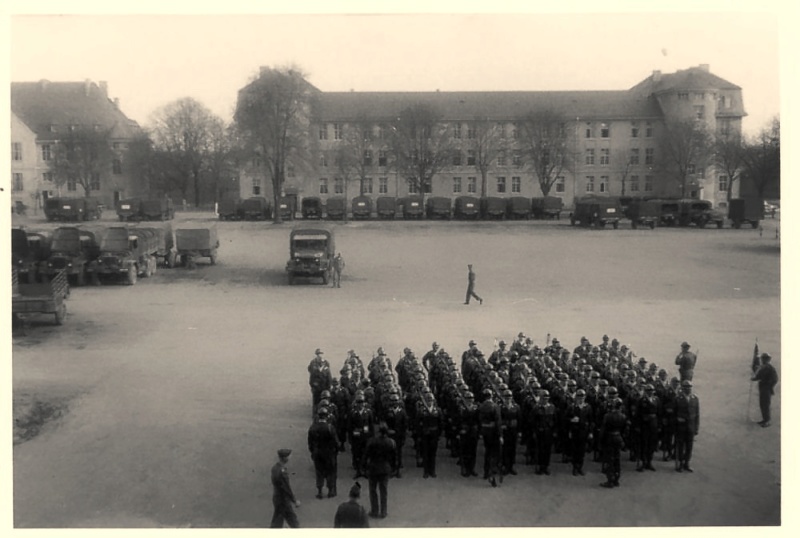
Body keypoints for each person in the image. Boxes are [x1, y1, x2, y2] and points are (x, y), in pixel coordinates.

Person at [364, 423, 396, 519]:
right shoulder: (391, 442)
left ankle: (374, 510)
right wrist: (393, 468)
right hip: (385, 468)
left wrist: (364, 466)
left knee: (373, 490)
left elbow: (366, 455)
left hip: (373, 467)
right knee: (383, 490)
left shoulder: (372, 441)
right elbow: (394, 457)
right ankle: (383, 511)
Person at [308, 407, 339, 499]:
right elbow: (335, 442)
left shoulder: (313, 427)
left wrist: (313, 452)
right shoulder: (330, 427)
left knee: (319, 472)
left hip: (317, 452)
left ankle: (320, 491)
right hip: (329, 453)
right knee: (330, 471)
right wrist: (335, 451)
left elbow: (310, 442)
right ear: (326, 416)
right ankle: (330, 491)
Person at [599, 398, 627, 488]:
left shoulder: (607, 416)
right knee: (617, 458)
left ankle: (610, 480)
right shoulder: (623, 416)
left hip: (609, 438)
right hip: (618, 437)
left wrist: (600, 440)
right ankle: (616, 479)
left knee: (609, 459)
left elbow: (603, 430)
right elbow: (624, 430)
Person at [270, 448, 301, 528]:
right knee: (293, 521)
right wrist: (294, 500)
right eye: (289, 456)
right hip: (283, 500)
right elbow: (286, 488)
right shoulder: (282, 471)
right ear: (285, 458)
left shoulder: (275, 468)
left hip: (276, 498)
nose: (290, 457)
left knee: (277, 520)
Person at [674, 380, 700, 472]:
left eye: (689, 387)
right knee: (681, 445)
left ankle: (687, 463)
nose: (688, 389)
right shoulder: (678, 398)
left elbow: (697, 415)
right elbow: (674, 413)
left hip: (691, 426)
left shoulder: (695, 398)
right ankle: (680, 463)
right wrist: (676, 424)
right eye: (686, 387)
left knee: (689, 446)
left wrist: (696, 428)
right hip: (681, 426)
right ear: (682, 388)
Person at [751, 352, 779, 427]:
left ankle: (767, 421)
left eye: (762, 358)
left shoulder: (767, 367)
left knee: (765, 405)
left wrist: (768, 384)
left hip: (766, 388)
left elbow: (773, 379)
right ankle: (764, 420)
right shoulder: (767, 367)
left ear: (765, 359)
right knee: (763, 404)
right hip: (765, 388)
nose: (761, 360)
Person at [308, 349, 332, 415]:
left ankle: (324, 414)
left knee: (324, 401)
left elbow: (329, 376)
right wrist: (313, 386)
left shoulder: (326, 363)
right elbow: (311, 376)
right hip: (316, 387)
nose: (320, 355)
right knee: (316, 402)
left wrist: (329, 386)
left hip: (324, 387)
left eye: (321, 354)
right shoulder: (313, 363)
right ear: (316, 355)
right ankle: (315, 416)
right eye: (318, 354)